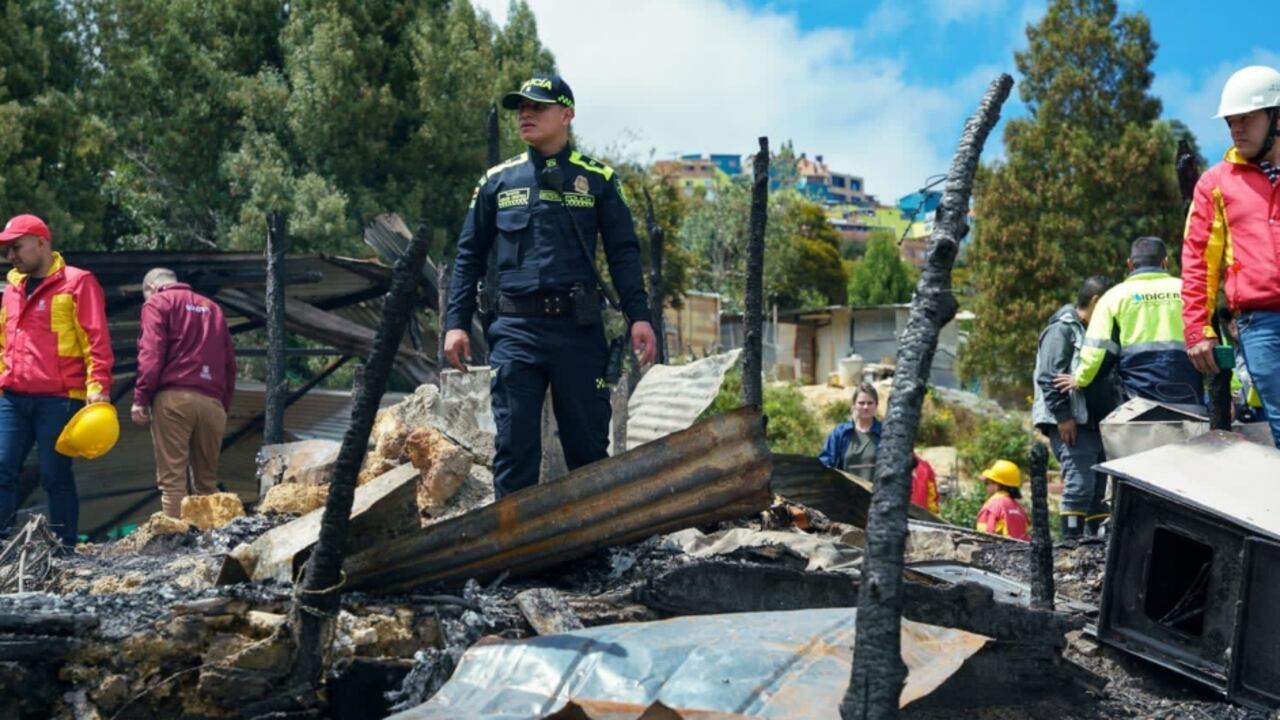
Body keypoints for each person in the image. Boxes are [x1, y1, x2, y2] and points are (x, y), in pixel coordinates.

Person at [441, 74, 656, 498]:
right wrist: (456, 322)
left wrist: (640, 317)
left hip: (579, 333)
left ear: (566, 114)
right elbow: (468, 255)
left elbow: (624, 254)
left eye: (537, 106)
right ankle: (510, 561)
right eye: (521, 107)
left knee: (588, 450)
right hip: (515, 332)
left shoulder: (599, 179)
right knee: (514, 450)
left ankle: (595, 556)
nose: (526, 114)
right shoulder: (497, 182)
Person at [0, 214, 113, 546]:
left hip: (60, 397)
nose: (11, 257)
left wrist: (99, 388)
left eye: (16, 248)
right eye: (8, 251)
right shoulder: (11, 290)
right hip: (12, 397)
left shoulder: (78, 282)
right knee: (1, 468)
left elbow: (96, 340)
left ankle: (65, 547)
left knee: (54, 476)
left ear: (41, 242)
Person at [1182, 65, 1280, 447]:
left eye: (1246, 119)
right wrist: (1197, 329)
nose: (1236, 129)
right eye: (1231, 122)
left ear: (1276, 117)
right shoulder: (1215, 184)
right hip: (1262, 324)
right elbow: (1197, 262)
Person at [130, 268, 236, 518]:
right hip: (212, 402)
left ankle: (175, 542)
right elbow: (230, 364)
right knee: (206, 484)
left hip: (174, 399)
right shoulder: (213, 309)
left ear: (151, 287)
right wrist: (222, 405)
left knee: (172, 482)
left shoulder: (158, 303)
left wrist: (141, 398)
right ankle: (209, 544)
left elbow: (151, 353)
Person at [1055, 237, 1201, 408]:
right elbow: (1216, 343)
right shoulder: (1190, 292)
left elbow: (1097, 351)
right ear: (1165, 262)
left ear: (1130, 264)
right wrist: (1232, 389)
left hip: (1138, 402)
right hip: (1189, 396)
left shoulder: (1113, 297)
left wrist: (1080, 378)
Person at [1033, 276, 1118, 539]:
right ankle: (1070, 547)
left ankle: (1093, 549)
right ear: (1096, 301)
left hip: (1097, 424)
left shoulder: (1099, 332)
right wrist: (1063, 416)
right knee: (1079, 487)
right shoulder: (1063, 330)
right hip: (1073, 424)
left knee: (1097, 494)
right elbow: (1049, 377)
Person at [817, 382, 938, 513]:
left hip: (878, 505)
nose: (865, 407)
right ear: (853, 405)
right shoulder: (840, 434)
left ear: (876, 406)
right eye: (861, 403)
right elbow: (825, 465)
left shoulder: (886, 434)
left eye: (870, 403)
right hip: (847, 503)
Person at [975, 459, 1029, 542]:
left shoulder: (992, 506)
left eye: (986, 483)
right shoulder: (1020, 508)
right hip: (1022, 553)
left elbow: (983, 538)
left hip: (1001, 553)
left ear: (997, 484)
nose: (985, 487)